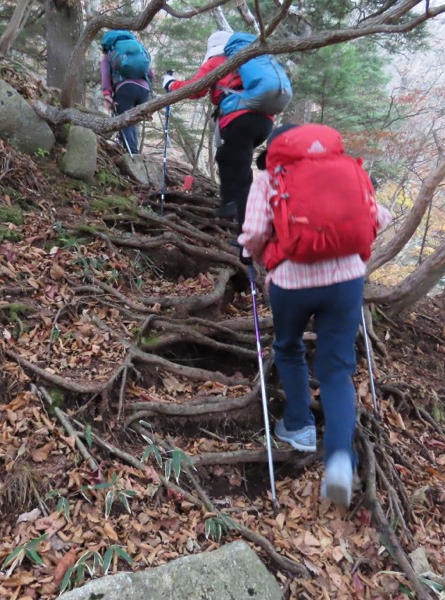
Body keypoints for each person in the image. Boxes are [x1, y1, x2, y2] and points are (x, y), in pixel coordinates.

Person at [239, 123, 392, 508]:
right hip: (346, 281)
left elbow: (256, 232)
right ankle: (340, 459)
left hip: (292, 280)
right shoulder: (348, 169)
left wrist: (253, 254)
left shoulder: (269, 177)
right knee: (337, 370)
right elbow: (380, 219)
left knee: (288, 347)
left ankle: (300, 426)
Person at [163, 31, 274, 225]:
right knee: (232, 160)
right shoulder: (250, 60)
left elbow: (196, 89)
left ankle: (238, 213)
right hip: (264, 120)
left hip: (240, 118)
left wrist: (171, 84)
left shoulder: (217, 60)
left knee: (235, 163)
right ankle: (240, 214)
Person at [101, 30, 154, 155]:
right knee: (133, 121)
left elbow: (105, 75)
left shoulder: (110, 52)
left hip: (125, 88)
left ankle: (132, 156)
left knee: (125, 122)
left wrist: (107, 94)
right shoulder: (138, 50)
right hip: (144, 90)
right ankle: (132, 151)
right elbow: (150, 73)